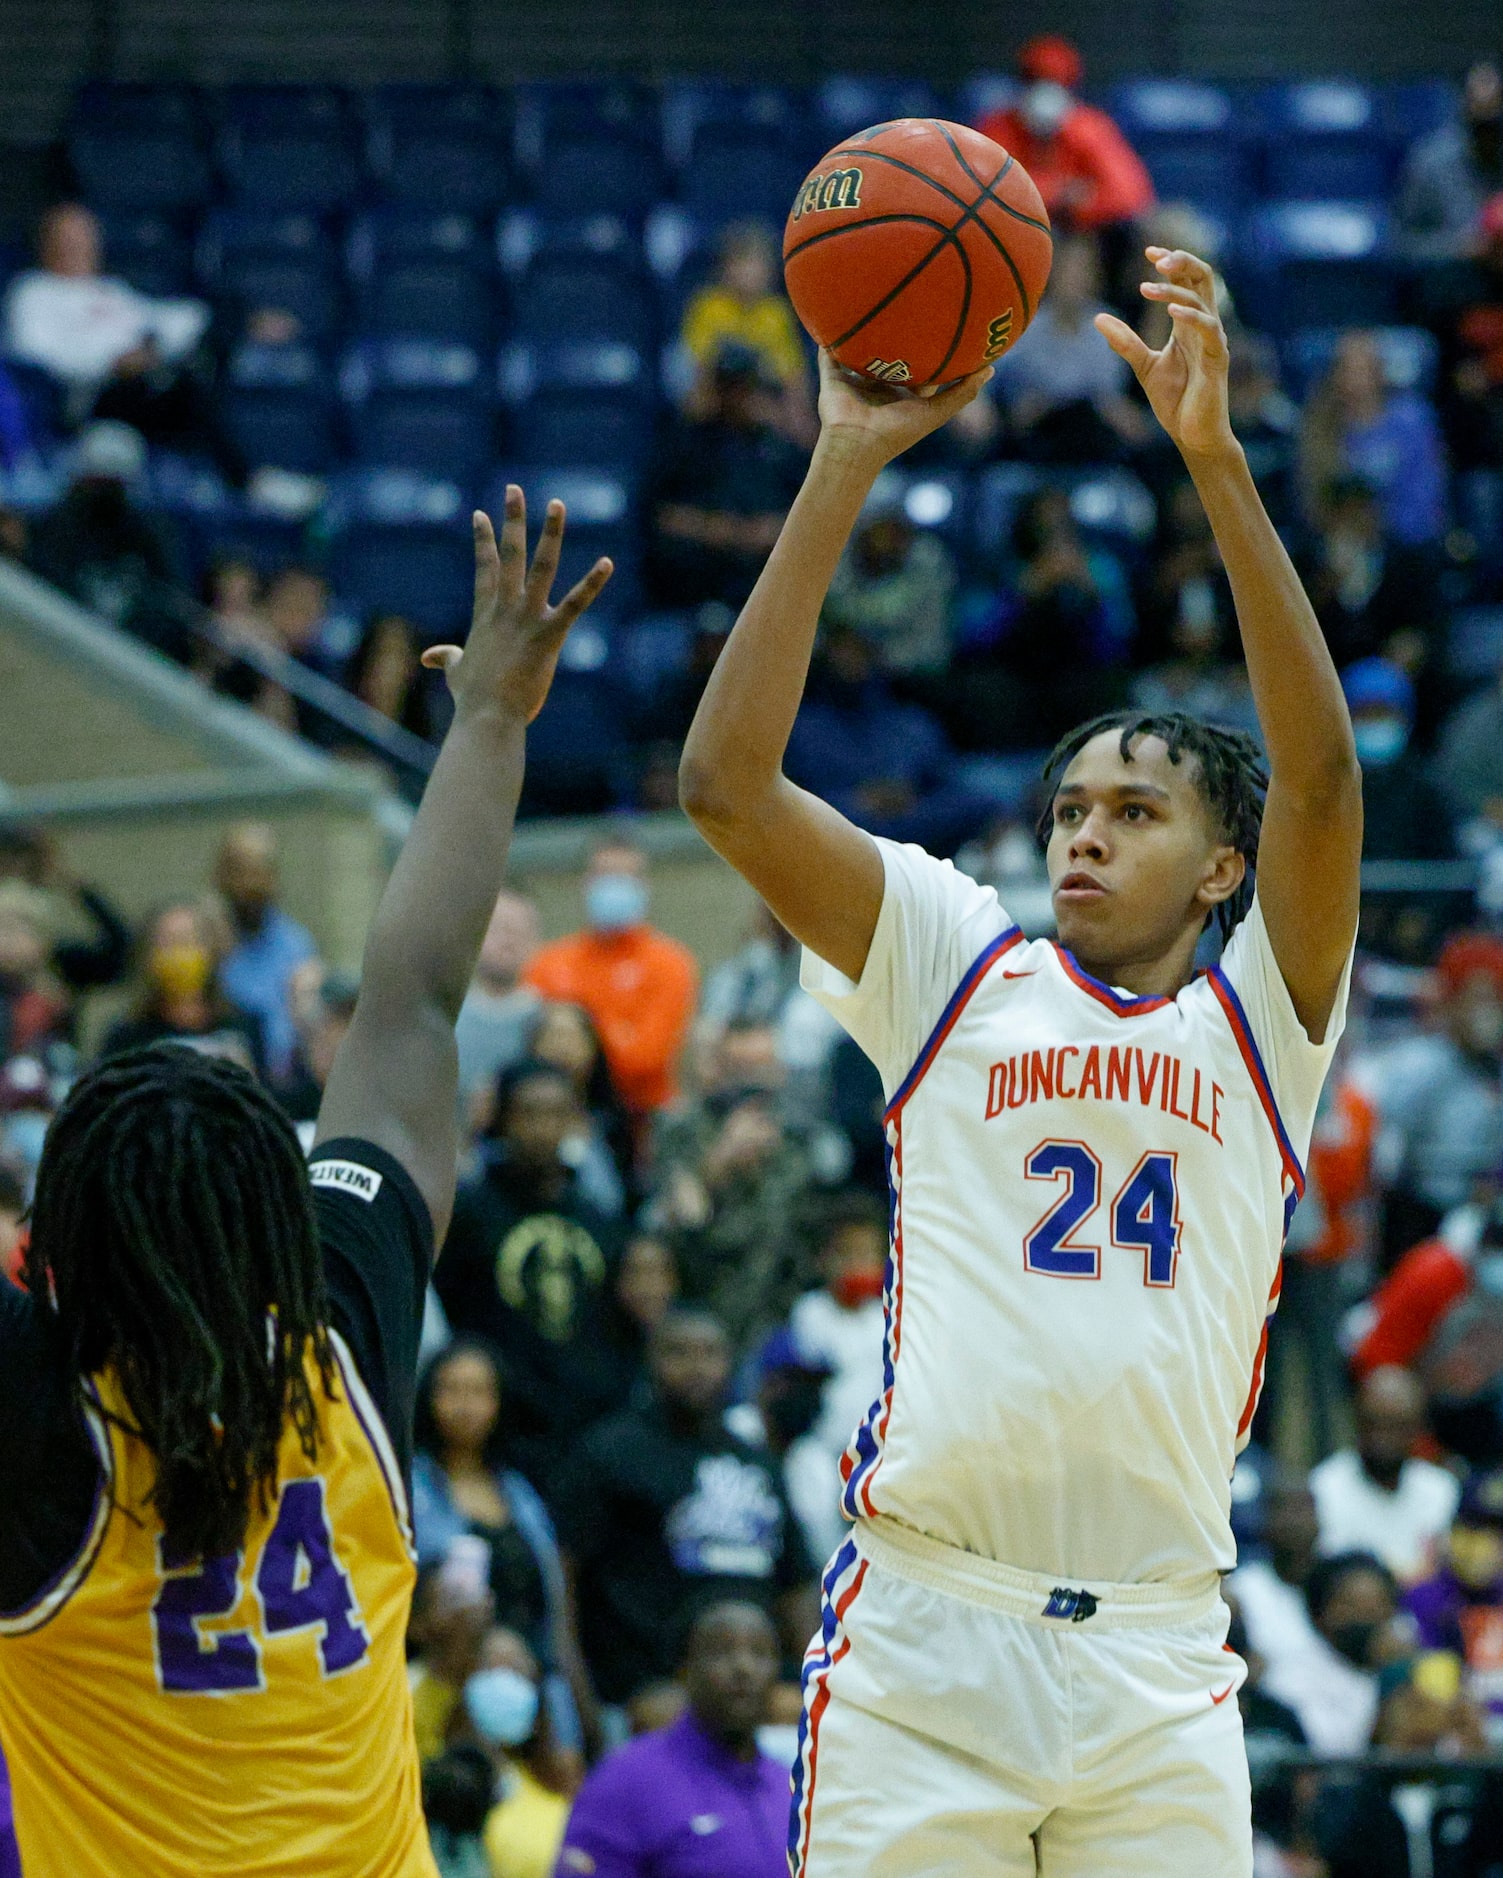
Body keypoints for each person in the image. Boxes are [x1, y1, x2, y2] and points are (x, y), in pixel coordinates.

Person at [678, 244, 1362, 1873]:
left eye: (1133, 811)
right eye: (1067, 808)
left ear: (1220, 868)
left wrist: (1211, 459)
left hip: (1154, 1656)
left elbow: (1322, 777)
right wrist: (843, 458)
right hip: (927, 1638)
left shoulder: (1260, 1016)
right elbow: (722, 781)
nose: (1082, 834)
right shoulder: (950, 958)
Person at [0, 485, 613, 1874]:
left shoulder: (33, 1420)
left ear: (56, 1247)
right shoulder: (342, 1333)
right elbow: (407, 1004)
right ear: (281, 1219)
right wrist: (493, 726)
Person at [555, 1308, 815, 1708]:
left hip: (758, 1682)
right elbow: (564, 1578)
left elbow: (797, 1586)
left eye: (711, 1354)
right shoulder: (609, 1453)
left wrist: (810, 1679)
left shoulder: (758, 1461)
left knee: (799, 1715)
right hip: (648, 1685)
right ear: (651, 1361)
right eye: (680, 1353)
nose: (697, 1367)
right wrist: (581, 1705)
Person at [434, 1060, 629, 1478]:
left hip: (585, 1427)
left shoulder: (599, 1217)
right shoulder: (470, 1211)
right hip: (500, 1430)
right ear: (503, 1120)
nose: (542, 1128)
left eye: (557, 1113)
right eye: (528, 1114)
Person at [409, 1339, 593, 1754]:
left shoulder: (520, 1493)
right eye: (451, 1390)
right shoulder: (408, 1485)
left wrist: (583, 1712)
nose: (465, 1405)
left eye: (479, 1392)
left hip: (538, 1689)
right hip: (445, 1684)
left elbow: (556, 1610)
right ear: (428, 1396)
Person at [554, 1601, 789, 1878]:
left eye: (760, 1654)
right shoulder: (626, 1782)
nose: (744, 1668)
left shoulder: (793, 1788)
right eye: (721, 1652)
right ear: (685, 1670)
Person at [0, 203, 231, 468]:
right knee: (184, 397)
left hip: (143, 382)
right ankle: (241, 482)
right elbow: (35, 356)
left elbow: (169, 320)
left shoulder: (110, 290)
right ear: (46, 243)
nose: (76, 246)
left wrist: (151, 351)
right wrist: (113, 362)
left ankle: (225, 485)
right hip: (86, 396)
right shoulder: (34, 291)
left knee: (221, 325)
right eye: (67, 238)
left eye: (84, 237)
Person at [522, 838, 698, 1117]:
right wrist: (618, 1031)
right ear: (584, 883)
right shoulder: (547, 963)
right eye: (605, 875)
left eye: (625, 877)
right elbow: (537, 1056)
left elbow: (646, 1058)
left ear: (645, 886)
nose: (614, 886)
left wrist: (579, 1041)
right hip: (563, 1113)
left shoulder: (670, 963)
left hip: (645, 1114)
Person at [1363, 932, 1503, 1266]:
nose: (1486, 1012)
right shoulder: (1417, 1067)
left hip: (1486, 1221)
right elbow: (1384, 1162)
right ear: (1450, 1000)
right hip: (1421, 1217)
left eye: (1494, 999)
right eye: (1476, 998)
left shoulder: (1495, 1070)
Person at [646, 342, 808, 610]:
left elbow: (812, 519)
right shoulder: (685, 443)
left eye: (743, 386)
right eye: (728, 385)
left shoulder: (781, 450)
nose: (735, 396)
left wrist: (771, 532)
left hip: (765, 591)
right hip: (692, 592)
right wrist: (713, 529)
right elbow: (659, 516)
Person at [990, 233, 1150, 463]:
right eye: (1068, 269)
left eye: (1083, 270)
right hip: (1033, 443)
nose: (1075, 278)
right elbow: (1006, 390)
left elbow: (1110, 395)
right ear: (1051, 273)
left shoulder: (1111, 325)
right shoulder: (1023, 326)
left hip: (1093, 439)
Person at [976, 34, 1154, 236]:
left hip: (1086, 234)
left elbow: (1130, 196)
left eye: (1056, 82)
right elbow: (986, 194)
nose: (1045, 91)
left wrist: (1080, 206)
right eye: (1035, 80)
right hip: (1020, 234)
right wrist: (1059, 193)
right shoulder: (998, 126)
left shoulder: (1089, 127)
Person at [1309, 1366, 1461, 1581]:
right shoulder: (1324, 1486)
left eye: (1397, 1426)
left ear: (1418, 1428)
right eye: (1373, 1423)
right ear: (1356, 1421)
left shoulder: (1441, 1488)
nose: (1383, 1438)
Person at [1299, 332, 1449, 547]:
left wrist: (1386, 527)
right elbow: (1314, 496)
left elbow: (1426, 493)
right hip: (1341, 541)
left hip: (1406, 542)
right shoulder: (1321, 426)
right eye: (1347, 367)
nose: (1355, 378)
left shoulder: (1411, 420)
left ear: (1379, 371)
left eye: (1363, 368)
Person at [26, 419, 179, 628]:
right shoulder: (60, 524)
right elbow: (45, 583)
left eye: (115, 485)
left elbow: (167, 598)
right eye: (99, 483)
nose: (105, 494)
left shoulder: (147, 534)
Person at [99, 898, 264, 1076]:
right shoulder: (126, 1037)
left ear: (212, 951)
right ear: (148, 957)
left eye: (187, 941)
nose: (178, 954)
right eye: (167, 944)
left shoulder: (243, 1027)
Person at [679, 222, 812, 440]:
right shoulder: (708, 306)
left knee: (786, 417)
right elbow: (697, 364)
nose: (752, 273)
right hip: (713, 394)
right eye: (744, 263)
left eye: (759, 264)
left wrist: (799, 414)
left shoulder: (776, 313)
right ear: (726, 267)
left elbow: (793, 374)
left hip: (759, 395)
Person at [213, 821, 319, 1086]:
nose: (252, 883)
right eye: (241, 871)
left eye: (262, 871)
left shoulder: (296, 946)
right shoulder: (208, 945)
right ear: (220, 876)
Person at [1405, 1466, 1503, 1740]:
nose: (1487, 1543)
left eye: (1497, 1533)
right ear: (1453, 1531)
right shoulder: (1422, 1600)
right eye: (1474, 1528)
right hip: (1454, 1743)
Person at [820, 494, 956, 690]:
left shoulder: (928, 564)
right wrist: (831, 649)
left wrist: (877, 655)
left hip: (900, 687)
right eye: (882, 529)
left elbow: (933, 649)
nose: (891, 542)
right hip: (819, 681)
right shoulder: (829, 555)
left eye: (899, 530)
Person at [527, 998, 636, 1215]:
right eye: (553, 1036)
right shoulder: (505, 1109)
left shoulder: (612, 1120)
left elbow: (622, 1196)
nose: (562, 1048)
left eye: (573, 1037)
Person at [1397, 61, 1503, 264]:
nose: (1487, 134)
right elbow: (1404, 244)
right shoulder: (1430, 162)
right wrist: (1459, 247)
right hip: (1456, 281)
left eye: (1494, 123)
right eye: (1480, 126)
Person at [454, 890, 542, 1115]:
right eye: (497, 930)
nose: (507, 941)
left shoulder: (549, 1019)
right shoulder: (449, 1019)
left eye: (518, 932)